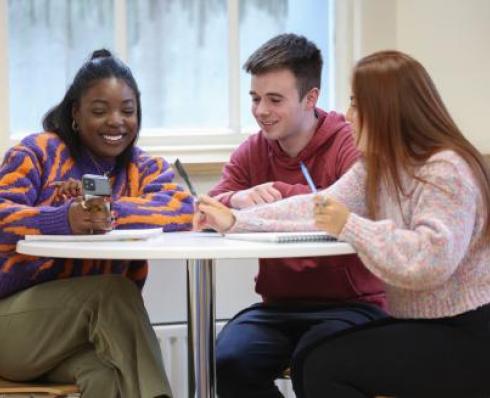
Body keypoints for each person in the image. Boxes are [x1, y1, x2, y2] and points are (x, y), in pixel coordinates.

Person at [196, 50, 490, 398]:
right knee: (312, 362)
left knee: (323, 366)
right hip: (417, 324)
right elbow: (315, 208)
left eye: (356, 104)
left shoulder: (445, 169)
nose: (348, 116)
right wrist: (236, 220)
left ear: (387, 110)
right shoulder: (380, 167)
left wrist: (350, 225)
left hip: (466, 334)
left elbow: (430, 261)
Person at [0, 49, 194, 398]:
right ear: (75, 113)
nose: (116, 121)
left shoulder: (142, 168)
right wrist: (63, 218)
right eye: (100, 111)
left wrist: (111, 213)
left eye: (128, 111)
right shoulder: (38, 153)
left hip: (74, 338)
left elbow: (181, 208)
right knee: (111, 292)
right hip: (12, 325)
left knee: (109, 376)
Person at [207, 33, 386, 398]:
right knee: (227, 361)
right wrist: (238, 198)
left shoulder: (349, 141)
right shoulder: (253, 150)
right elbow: (210, 207)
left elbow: (345, 206)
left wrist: (275, 196)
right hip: (279, 308)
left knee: (316, 362)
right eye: (255, 99)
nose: (261, 111)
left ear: (311, 98)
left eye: (275, 100)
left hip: (354, 306)